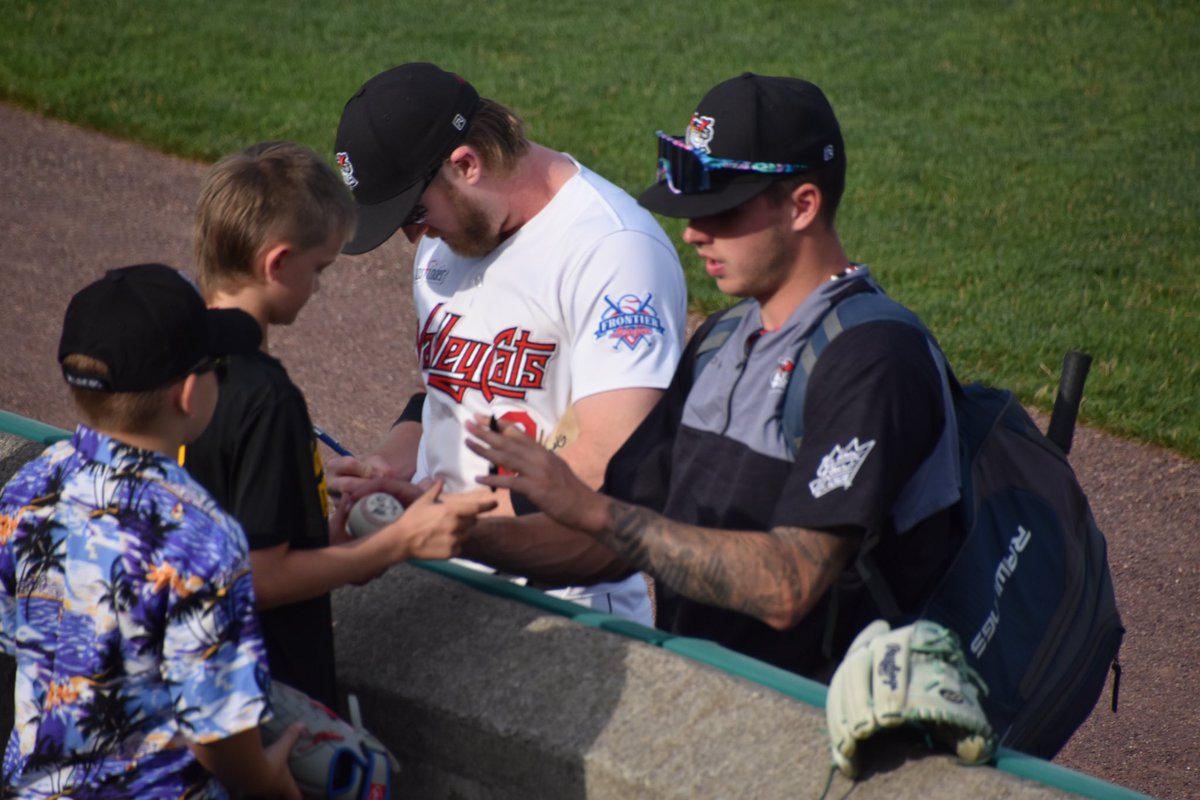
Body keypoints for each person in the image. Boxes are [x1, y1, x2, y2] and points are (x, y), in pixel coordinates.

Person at [462, 73, 966, 682]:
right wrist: (449, 536)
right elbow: (611, 544)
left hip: (825, 728)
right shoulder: (722, 341)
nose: (693, 232)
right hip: (715, 705)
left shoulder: (875, 358)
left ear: (803, 205)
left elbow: (789, 583)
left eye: (721, 210)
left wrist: (593, 512)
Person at [328, 63, 687, 624]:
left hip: (558, 598)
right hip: (440, 563)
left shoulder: (613, 251)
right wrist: (392, 467)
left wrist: (440, 514)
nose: (413, 236)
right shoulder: (452, 233)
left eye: (414, 213)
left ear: (466, 164)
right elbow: (447, 390)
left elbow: (611, 463)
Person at [183, 141, 495, 708]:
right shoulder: (263, 396)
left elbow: (234, 549)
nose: (319, 287)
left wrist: (337, 539)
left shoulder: (175, 365)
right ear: (277, 263)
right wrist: (392, 546)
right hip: (258, 695)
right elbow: (262, 578)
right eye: (318, 269)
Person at [0, 263, 302, 797]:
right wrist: (273, 785)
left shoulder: (28, 486)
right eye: (219, 368)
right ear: (188, 394)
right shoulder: (201, 536)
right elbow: (217, 734)